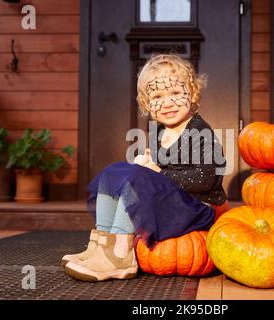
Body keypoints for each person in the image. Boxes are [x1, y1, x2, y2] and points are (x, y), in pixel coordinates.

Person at [62, 54, 227, 282]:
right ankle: (103, 245)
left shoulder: (201, 133)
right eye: (158, 96)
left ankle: (121, 254)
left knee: (138, 179)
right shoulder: (158, 132)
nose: (167, 103)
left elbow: (204, 179)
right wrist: (144, 165)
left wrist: (156, 172)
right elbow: (155, 173)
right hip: (169, 202)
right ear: (148, 104)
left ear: (193, 93)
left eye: (176, 93)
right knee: (114, 173)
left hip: (196, 209)